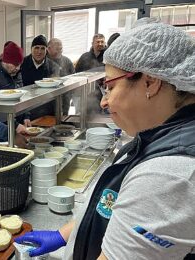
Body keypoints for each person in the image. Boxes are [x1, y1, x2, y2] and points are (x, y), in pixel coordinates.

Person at [15, 19, 195, 259]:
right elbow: (109, 205)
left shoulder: (168, 176)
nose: (103, 101)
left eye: (109, 86)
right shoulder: (161, 135)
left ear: (150, 82)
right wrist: (63, 235)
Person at [0, 41, 30, 127]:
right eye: (15, 64)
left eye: (20, 64)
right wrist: (15, 126)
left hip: (17, 123)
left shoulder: (16, 72)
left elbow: (22, 96)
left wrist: (26, 116)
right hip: (1, 126)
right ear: (5, 61)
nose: (18, 68)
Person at [21, 35, 60, 120]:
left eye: (42, 48)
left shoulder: (53, 67)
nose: (39, 51)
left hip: (47, 113)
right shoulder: (22, 64)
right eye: (36, 48)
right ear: (31, 49)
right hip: (25, 111)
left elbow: (56, 92)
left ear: (47, 50)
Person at [47, 38, 76, 116]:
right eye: (57, 49)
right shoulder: (44, 61)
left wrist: (71, 94)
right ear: (48, 49)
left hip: (65, 97)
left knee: (64, 118)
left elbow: (74, 76)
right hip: (48, 99)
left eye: (61, 49)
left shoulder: (67, 61)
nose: (60, 51)